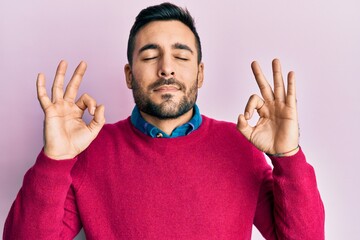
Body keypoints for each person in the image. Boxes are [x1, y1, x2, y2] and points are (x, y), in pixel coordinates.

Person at [3, 2, 324, 240]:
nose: (166, 68)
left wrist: (288, 157)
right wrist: (54, 160)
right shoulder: (90, 150)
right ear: (129, 75)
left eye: (182, 56)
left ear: (200, 74)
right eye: (150, 56)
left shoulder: (241, 147)